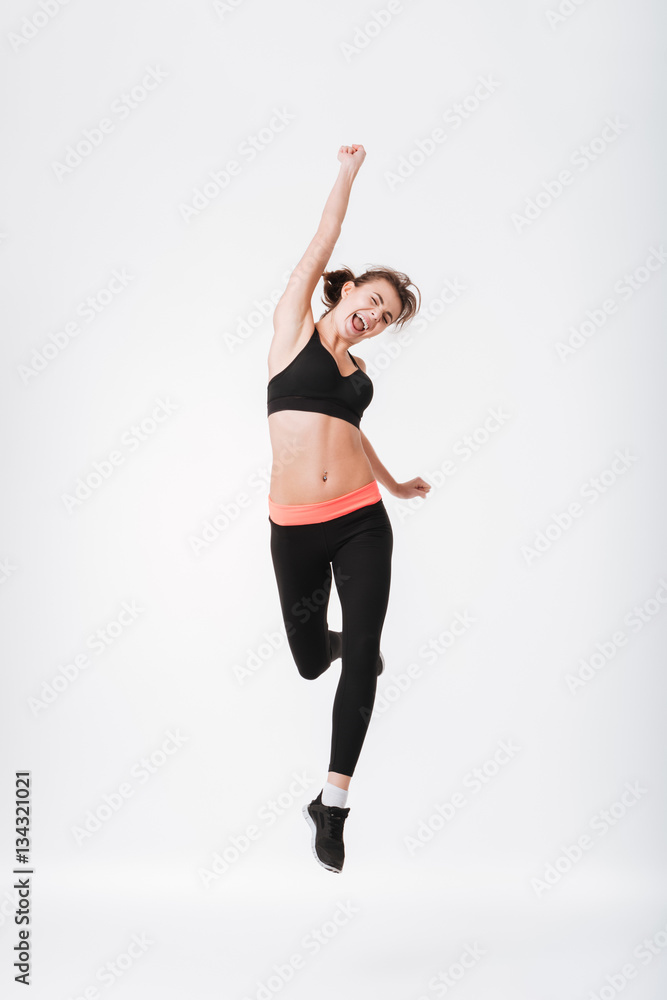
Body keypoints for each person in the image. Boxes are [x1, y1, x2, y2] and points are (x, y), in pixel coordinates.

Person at [266, 143, 430, 872]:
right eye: (372, 301)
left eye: (385, 317)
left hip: (362, 521)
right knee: (311, 662)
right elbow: (322, 238)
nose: (373, 317)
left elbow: (352, 436)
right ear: (350, 288)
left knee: (364, 651)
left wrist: (392, 487)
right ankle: (331, 644)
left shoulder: (358, 374)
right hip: (296, 529)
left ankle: (331, 805)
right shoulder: (293, 330)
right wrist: (347, 172)